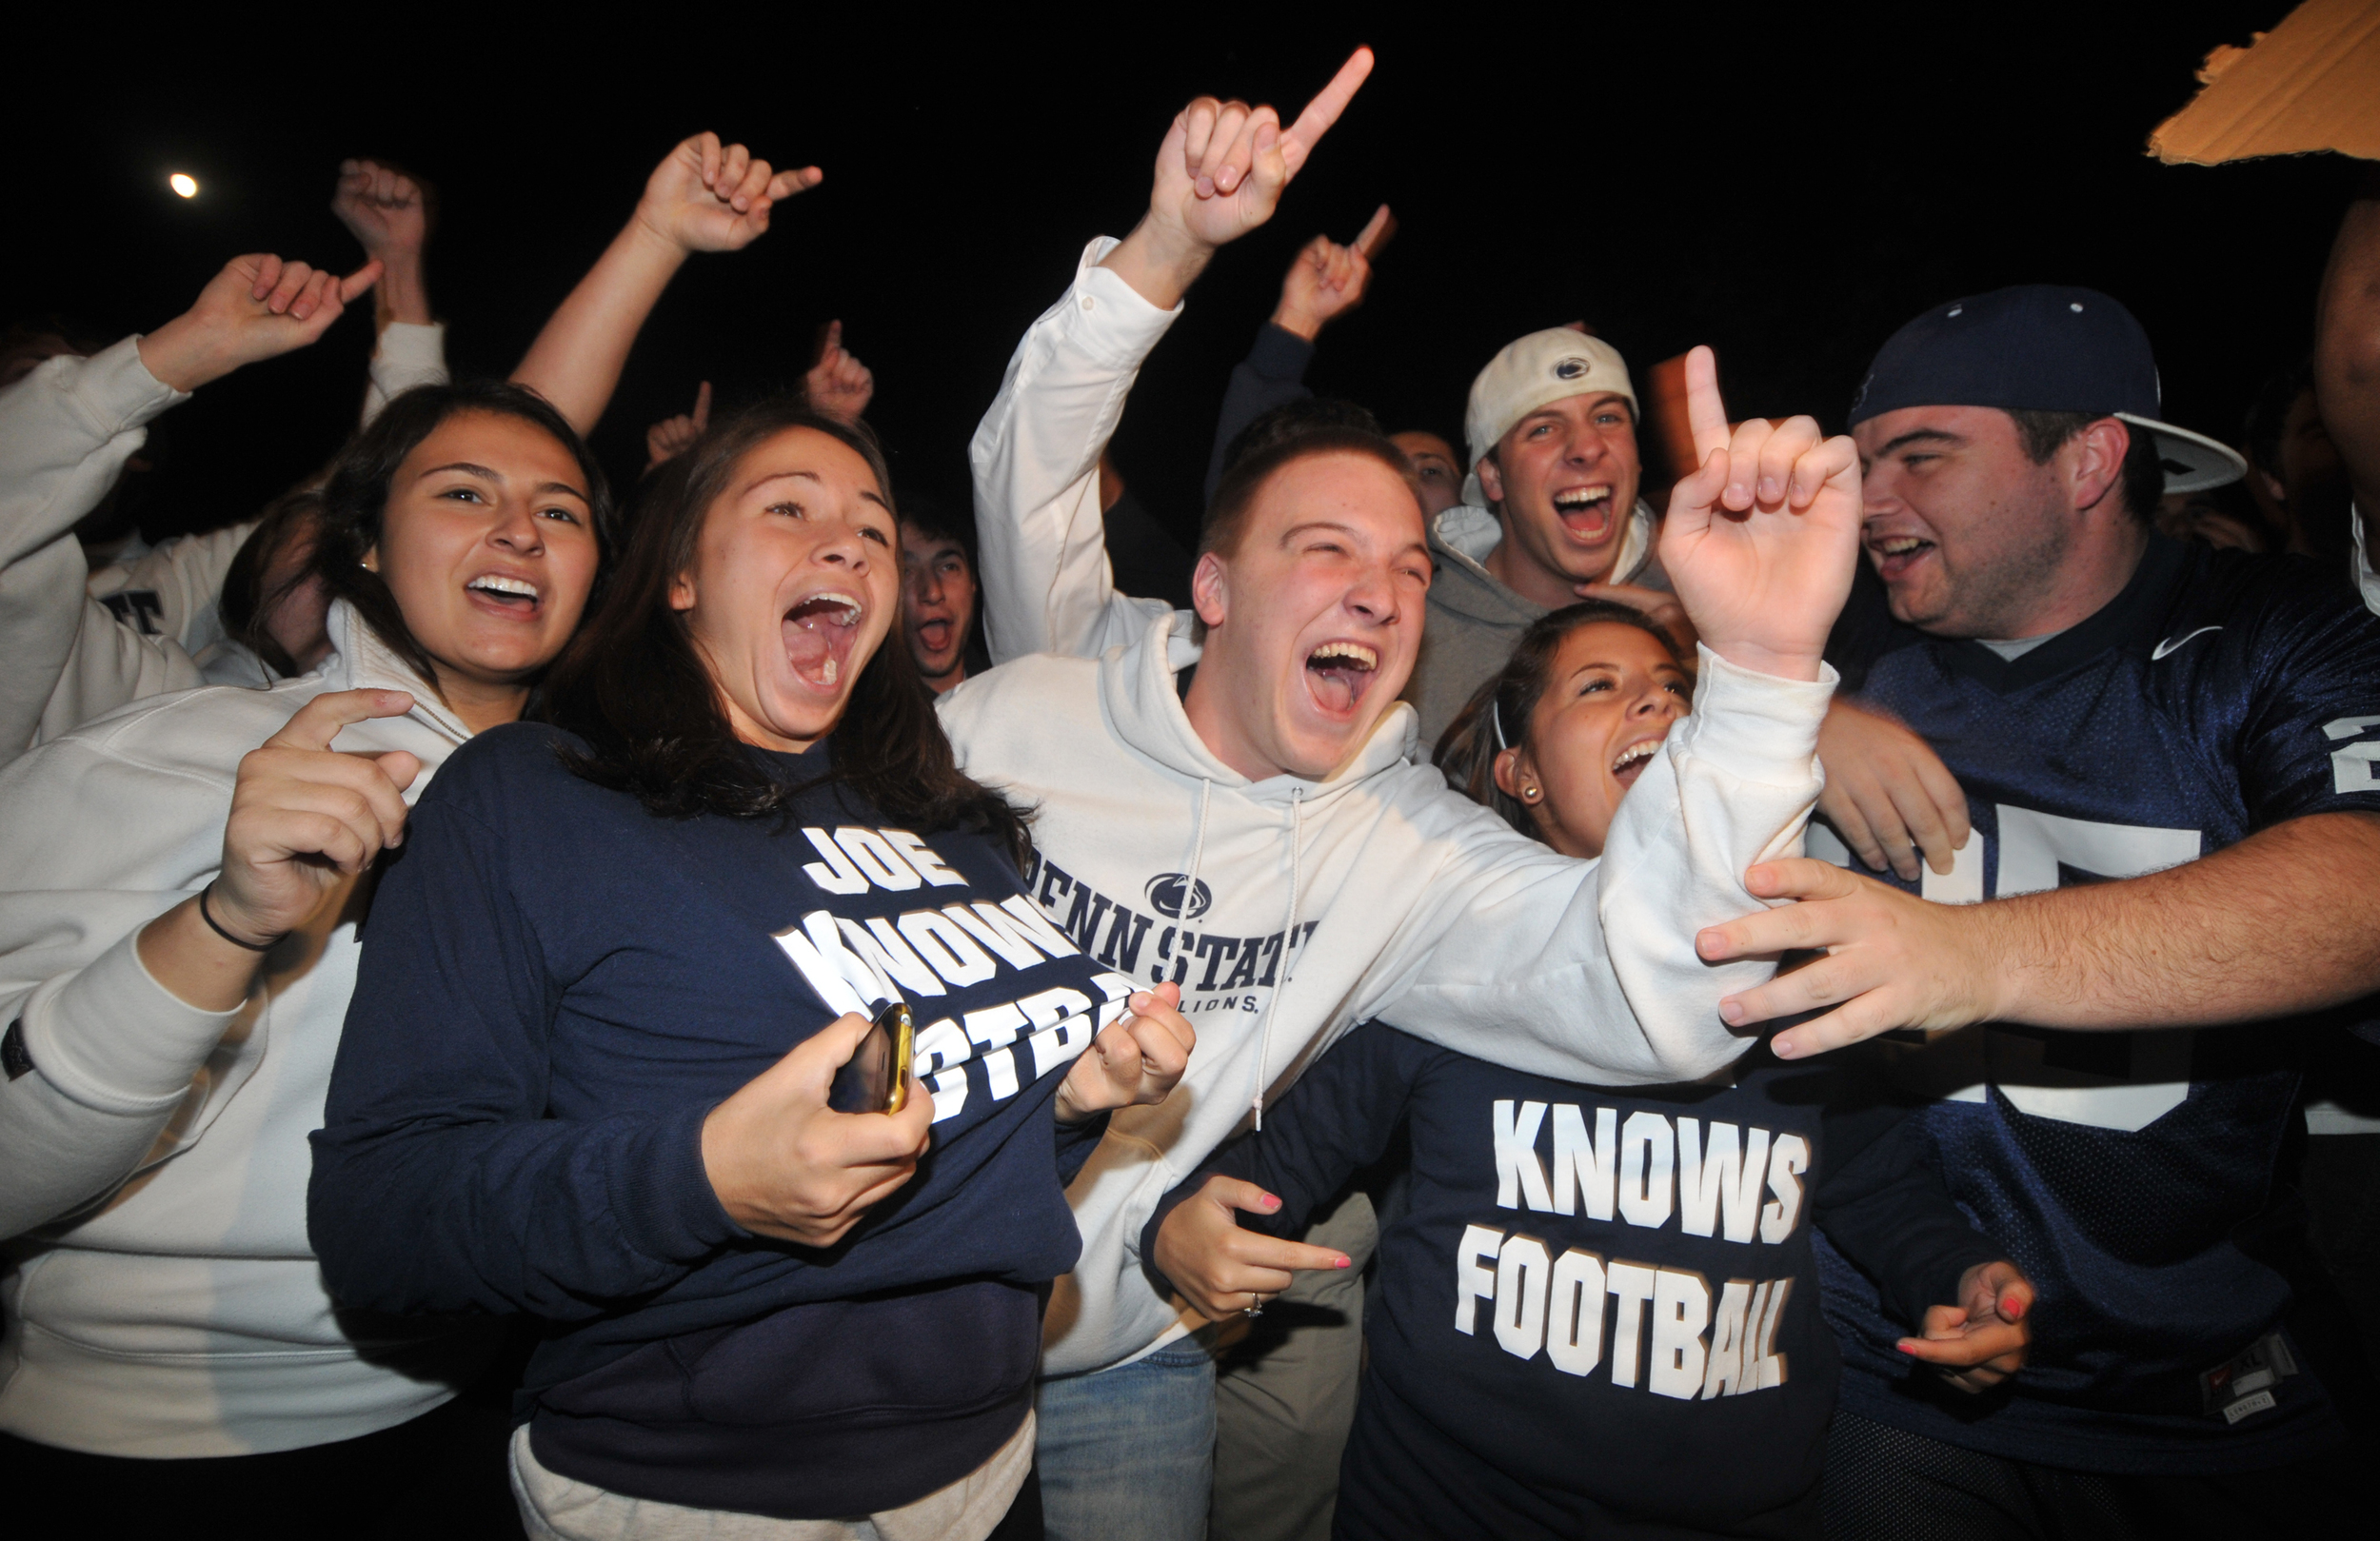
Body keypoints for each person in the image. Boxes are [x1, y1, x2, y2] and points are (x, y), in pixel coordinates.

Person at [959, 50, 1862, 1536]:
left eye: (1402, 569)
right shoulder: (1056, 679)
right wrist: (1170, 244)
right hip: (862, 1295)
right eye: (1326, 546)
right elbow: (1028, 465)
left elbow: (1668, 997)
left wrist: (1763, 672)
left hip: (1117, 1349)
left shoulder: (1409, 846)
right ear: (1211, 584)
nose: (1379, 593)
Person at [0, 130, 816, 1531]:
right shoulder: (168, 755)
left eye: (563, 513)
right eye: (462, 500)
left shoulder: (610, 805)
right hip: (131, 1451)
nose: (519, 526)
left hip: (482, 1424)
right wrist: (220, 928)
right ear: (361, 545)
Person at [308, 397, 1200, 1538]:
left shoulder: (948, 818)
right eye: (789, 509)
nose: (847, 545)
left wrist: (1071, 1099)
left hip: (985, 1461)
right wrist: (704, 1177)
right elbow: (382, 1218)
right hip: (706, 1489)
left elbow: (947, 1143)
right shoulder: (532, 795)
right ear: (680, 572)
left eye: (873, 530)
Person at [1686, 285, 2380, 1538]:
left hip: (2208, 1377)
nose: (1874, 500)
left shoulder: (2273, 629)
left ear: (2088, 459)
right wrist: (1779, 703)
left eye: (1923, 457)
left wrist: (1969, 953)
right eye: (1864, 461)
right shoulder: (1837, 643)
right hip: (1895, 1361)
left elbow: (2366, 885)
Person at [1142, 599, 2035, 1540]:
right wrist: (1179, 1221)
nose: (1652, 705)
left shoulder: (1803, 974)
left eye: (1675, 691)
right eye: (1599, 687)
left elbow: (1869, 1180)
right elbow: (1275, 1156)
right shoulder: (1448, 963)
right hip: (1445, 1501)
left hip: (1735, 1508)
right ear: (1519, 773)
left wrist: (1954, 1270)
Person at [900, 490, 988, 692]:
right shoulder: (859, 720)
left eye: (948, 567)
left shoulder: (1014, 692)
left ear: (973, 581)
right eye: (906, 572)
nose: (932, 592)